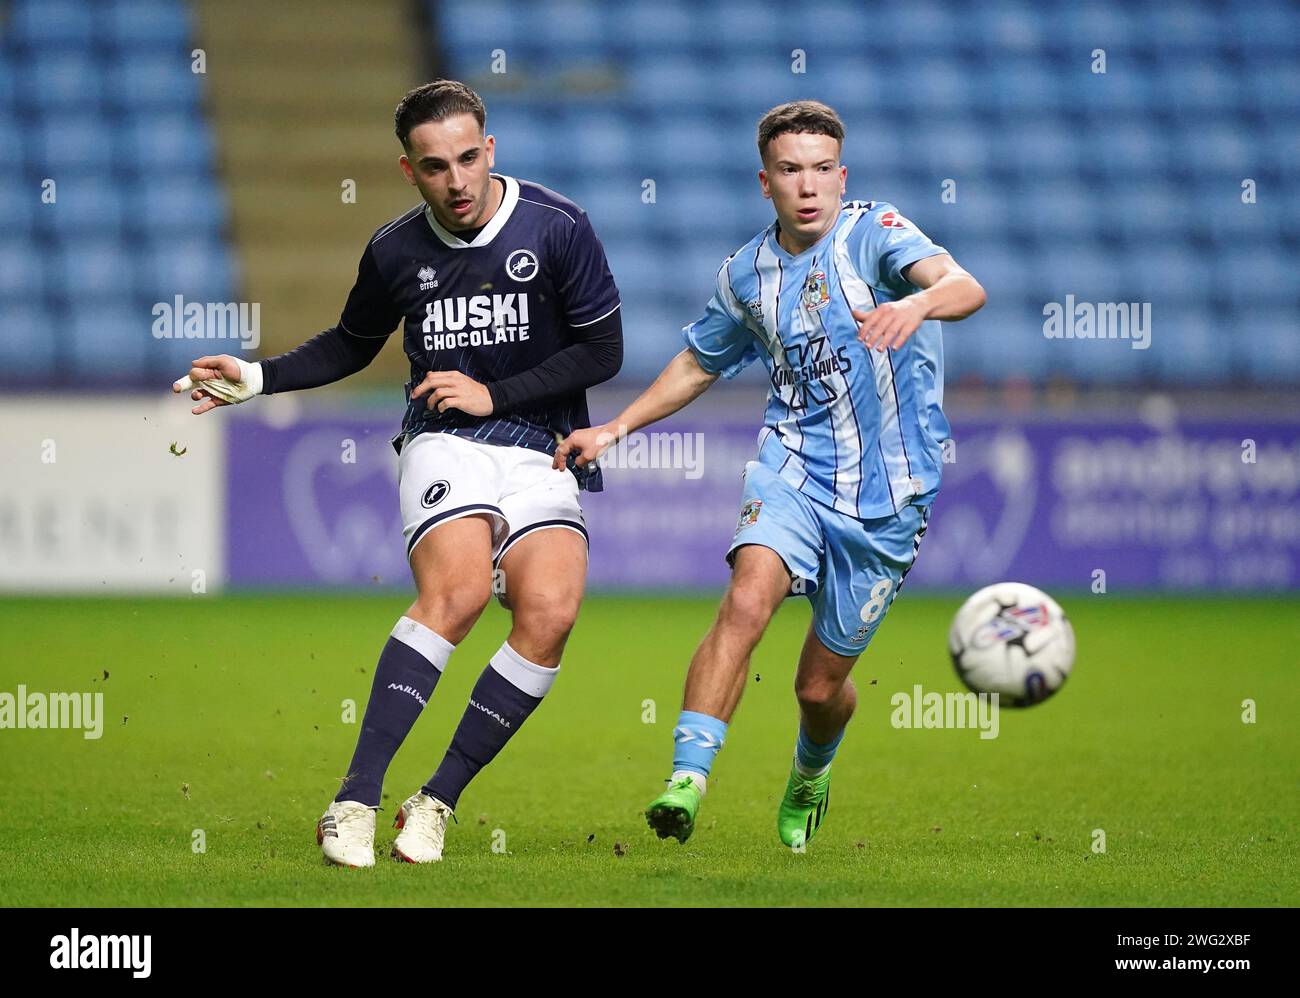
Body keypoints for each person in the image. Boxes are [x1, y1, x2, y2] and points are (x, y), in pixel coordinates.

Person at [174, 80, 622, 866]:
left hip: (539, 444)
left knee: (550, 614)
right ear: (408, 171)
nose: (457, 181)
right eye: (435, 166)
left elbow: (601, 350)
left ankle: (437, 799)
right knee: (459, 593)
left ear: (492, 149)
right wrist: (258, 378)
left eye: (468, 158)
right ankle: (353, 800)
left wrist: (498, 391)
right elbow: (352, 343)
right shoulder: (394, 250)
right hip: (444, 438)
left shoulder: (558, 227)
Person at [555, 100, 985, 850]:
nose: (808, 186)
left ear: (841, 176)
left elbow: (964, 286)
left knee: (818, 690)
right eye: (791, 171)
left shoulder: (875, 234)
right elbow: (698, 362)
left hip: (891, 495)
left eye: (822, 170)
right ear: (766, 182)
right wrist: (617, 426)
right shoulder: (747, 275)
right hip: (792, 469)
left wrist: (917, 304)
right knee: (747, 600)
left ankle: (810, 772)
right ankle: (687, 780)